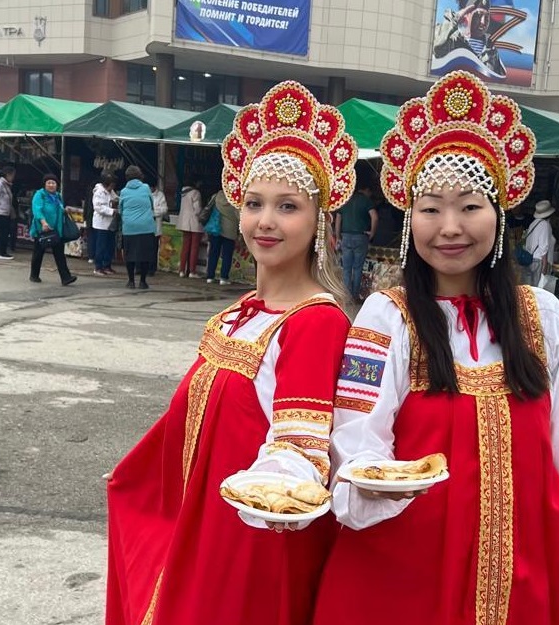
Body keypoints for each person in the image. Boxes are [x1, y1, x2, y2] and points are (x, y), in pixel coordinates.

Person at [313, 71, 559, 625]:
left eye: (470, 206)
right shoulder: (388, 316)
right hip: (407, 570)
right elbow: (357, 439)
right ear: (409, 217)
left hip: (527, 569)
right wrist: (366, 489)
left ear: (500, 215)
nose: (450, 227)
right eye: (431, 208)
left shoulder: (545, 318)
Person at [105, 81, 358, 625]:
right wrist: (137, 480)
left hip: (253, 545)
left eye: (288, 206)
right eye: (254, 203)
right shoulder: (239, 311)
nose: (266, 221)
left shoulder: (315, 321)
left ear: (320, 221)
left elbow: (300, 442)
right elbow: (188, 419)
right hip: (201, 527)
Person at [29, 174, 77, 286]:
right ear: (45, 184)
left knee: (59, 254)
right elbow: (37, 210)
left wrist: (65, 210)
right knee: (38, 253)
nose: (51, 185)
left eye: (53, 183)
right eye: (49, 183)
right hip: (42, 229)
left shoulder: (58, 196)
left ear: (57, 185)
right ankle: (34, 275)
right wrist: (43, 222)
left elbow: (59, 209)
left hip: (56, 230)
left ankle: (66, 277)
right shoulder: (40, 195)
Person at [334, 181, 377, 302]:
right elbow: (375, 216)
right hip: (361, 237)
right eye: (370, 192)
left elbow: (338, 219)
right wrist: (372, 232)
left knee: (346, 268)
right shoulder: (366, 201)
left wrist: (338, 237)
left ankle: (347, 297)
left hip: (345, 237)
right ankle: (355, 296)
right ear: (366, 189)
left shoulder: (345, 200)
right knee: (357, 268)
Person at [119, 166, 156, 290]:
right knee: (145, 255)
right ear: (140, 176)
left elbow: (121, 209)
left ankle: (130, 281)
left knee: (130, 255)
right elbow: (151, 205)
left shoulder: (124, 191)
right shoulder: (146, 188)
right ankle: (143, 282)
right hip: (146, 226)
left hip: (129, 228)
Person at [205, 189, 239, 285]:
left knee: (213, 253)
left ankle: (210, 276)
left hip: (216, 228)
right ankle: (223, 278)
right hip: (230, 230)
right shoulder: (234, 199)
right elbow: (238, 216)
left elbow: (209, 207)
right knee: (227, 255)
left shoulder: (217, 196)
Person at [523, 199, 556, 286]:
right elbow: (543, 245)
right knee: (539, 288)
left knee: (530, 288)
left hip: (529, 259)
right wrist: (544, 265)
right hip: (539, 261)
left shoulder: (532, 224)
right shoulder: (545, 225)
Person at [91, 173, 119, 276]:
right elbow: (98, 207)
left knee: (110, 245)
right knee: (101, 246)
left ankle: (107, 265)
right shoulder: (99, 192)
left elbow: (116, 198)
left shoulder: (111, 192)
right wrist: (112, 211)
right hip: (101, 223)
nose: (112, 187)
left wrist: (117, 201)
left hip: (110, 223)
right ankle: (98, 267)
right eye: (112, 185)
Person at [176, 180, 205, 278]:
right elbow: (197, 209)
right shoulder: (196, 193)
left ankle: (181, 270)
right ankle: (192, 271)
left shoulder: (183, 192)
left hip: (184, 222)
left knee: (185, 247)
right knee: (194, 248)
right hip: (194, 222)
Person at [149, 175, 169, 276]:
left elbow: (164, 209)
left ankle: (152, 269)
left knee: (153, 248)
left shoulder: (160, 195)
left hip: (156, 226)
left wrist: (153, 212)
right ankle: (141, 267)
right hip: (145, 226)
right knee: (144, 248)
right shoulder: (144, 194)